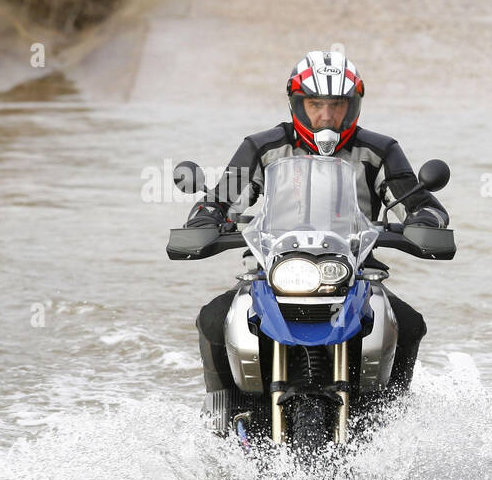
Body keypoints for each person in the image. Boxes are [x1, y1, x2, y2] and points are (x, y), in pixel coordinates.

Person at [184, 49, 447, 429]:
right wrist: (206, 218)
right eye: (316, 103)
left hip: (354, 274)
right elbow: (223, 198)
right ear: (297, 103)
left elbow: (422, 204)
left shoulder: (378, 150)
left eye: (337, 105)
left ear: (353, 104)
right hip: (273, 273)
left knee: (407, 323)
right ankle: (224, 420)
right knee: (213, 320)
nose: (326, 116)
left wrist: (425, 221)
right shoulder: (263, 147)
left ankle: (392, 425)